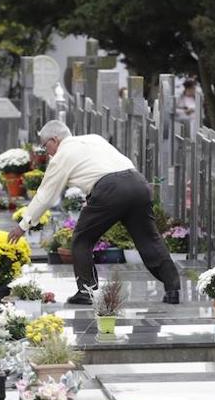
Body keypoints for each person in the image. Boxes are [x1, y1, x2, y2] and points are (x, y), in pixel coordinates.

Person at [11, 119, 181, 305]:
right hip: (138, 183)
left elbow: (45, 195)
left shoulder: (62, 155)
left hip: (110, 189)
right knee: (149, 239)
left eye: (45, 147)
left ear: (55, 139)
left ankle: (86, 291)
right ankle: (173, 288)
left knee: (82, 239)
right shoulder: (94, 138)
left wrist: (23, 225)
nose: (47, 153)